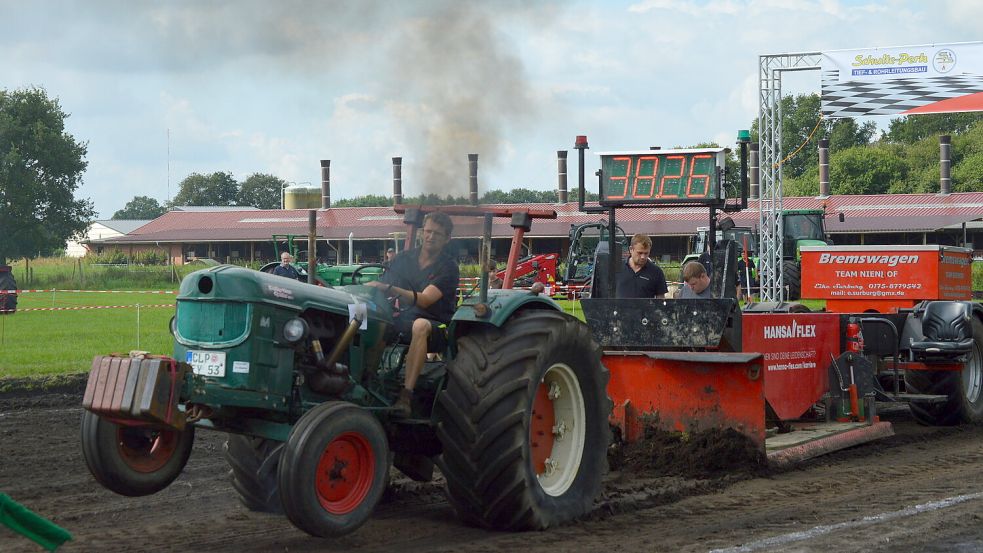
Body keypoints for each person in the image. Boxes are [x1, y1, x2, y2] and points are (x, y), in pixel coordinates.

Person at [367, 212, 459, 417]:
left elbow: (426, 299)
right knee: (376, 320)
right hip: (404, 319)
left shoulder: (448, 267)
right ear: (421, 232)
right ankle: (366, 381)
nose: (430, 236)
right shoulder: (404, 259)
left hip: (438, 326)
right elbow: (382, 284)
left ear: (447, 239)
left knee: (420, 325)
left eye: (437, 233)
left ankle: (406, 395)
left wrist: (390, 288)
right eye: (427, 231)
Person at [615, 234, 668, 299]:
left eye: (646, 253)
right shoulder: (617, 268)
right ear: (631, 249)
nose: (643, 257)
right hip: (620, 308)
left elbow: (660, 299)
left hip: (647, 309)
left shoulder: (656, 272)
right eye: (640, 253)